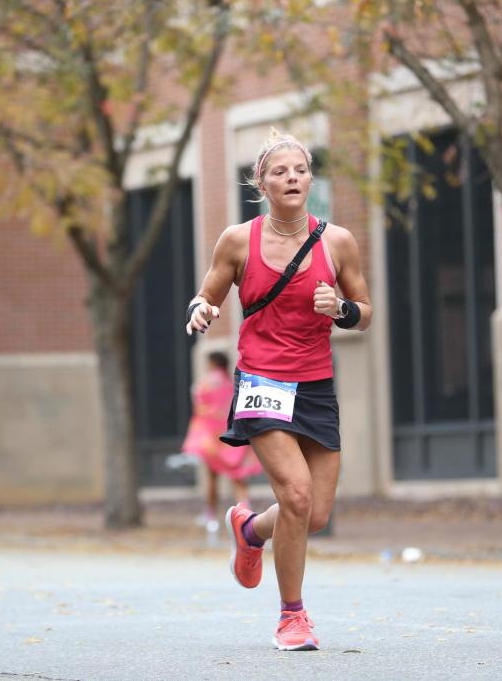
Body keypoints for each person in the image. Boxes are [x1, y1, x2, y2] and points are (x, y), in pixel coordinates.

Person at [185, 130, 372, 651]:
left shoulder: (337, 242)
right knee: (294, 493)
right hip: (262, 380)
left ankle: (249, 531)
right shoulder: (238, 240)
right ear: (261, 183)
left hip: (315, 384)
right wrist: (201, 310)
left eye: (300, 170)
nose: (291, 178)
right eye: (279, 172)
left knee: (312, 515)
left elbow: (365, 312)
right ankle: (293, 617)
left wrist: (342, 310)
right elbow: (207, 294)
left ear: (311, 179)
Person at [180, 351, 262, 527]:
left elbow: (200, 409)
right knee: (238, 478)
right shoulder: (233, 382)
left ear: (212, 363)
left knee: (212, 477)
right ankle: (246, 514)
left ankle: (210, 516)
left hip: (213, 440)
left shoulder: (205, 383)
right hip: (234, 437)